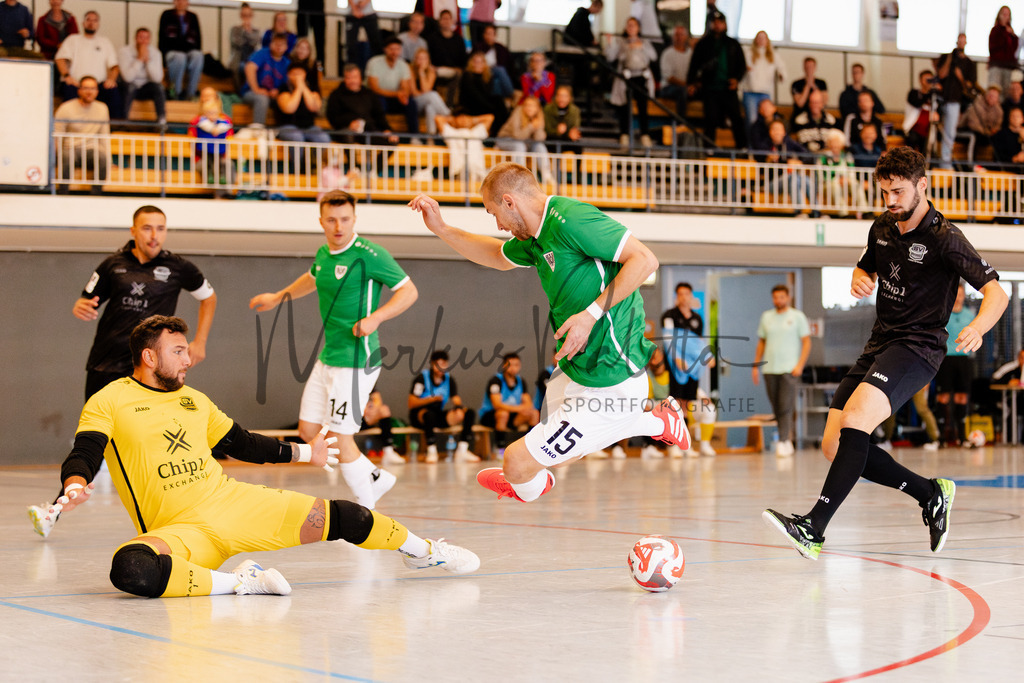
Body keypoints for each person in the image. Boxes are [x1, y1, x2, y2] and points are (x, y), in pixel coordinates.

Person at [45, 315, 478, 598]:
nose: (188, 358)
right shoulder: (111, 400)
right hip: (180, 533)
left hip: (234, 504)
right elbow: (86, 451)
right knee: (131, 569)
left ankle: (423, 551)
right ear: (148, 356)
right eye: (178, 351)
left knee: (348, 516)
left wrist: (306, 452)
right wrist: (76, 483)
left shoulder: (194, 400)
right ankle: (240, 583)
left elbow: (243, 443)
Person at [763, 146, 1008, 561]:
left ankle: (813, 528)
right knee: (832, 445)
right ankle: (930, 494)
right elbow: (866, 266)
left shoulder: (946, 239)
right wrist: (859, 278)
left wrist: (977, 327)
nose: (891, 201)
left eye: (897, 191)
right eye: (884, 193)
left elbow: (996, 293)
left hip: (918, 348)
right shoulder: (882, 226)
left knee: (856, 422)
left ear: (922, 186)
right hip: (880, 342)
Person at [408, 163, 691, 503]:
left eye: (494, 212)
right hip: (574, 367)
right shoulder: (533, 238)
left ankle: (529, 488)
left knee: (517, 464)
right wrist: (441, 229)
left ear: (510, 201)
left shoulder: (571, 219)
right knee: (564, 456)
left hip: (613, 374)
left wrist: (590, 315)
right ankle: (659, 423)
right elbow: (496, 255)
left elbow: (645, 260)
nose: (497, 224)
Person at [27, 206, 217, 537]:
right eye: (147, 228)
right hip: (104, 364)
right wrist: (78, 306)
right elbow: (87, 301)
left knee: (162, 439)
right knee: (93, 440)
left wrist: (198, 342)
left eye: (160, 228)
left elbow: (209, 298)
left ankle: (186, 512)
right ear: (133, 230)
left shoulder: (179, 268)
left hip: (150, 371)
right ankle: (56, 509)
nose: (154, 235)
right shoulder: (112, 266)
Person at [249, 191, 417, 509]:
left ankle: (366, 510)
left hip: (356, 359)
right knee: (310, 429)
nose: (338, 225)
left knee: (341, 438)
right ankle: (375, 476)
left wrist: (375, 318)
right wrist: (278, 296)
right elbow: (312, 278)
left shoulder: (370, 254)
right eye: (331, 219)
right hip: (329, 356)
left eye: (345, 219)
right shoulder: (325, 254)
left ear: (354, 219)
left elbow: (409, 291)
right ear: (321, 221)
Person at [752, 284, 810, 457]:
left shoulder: (797, 316)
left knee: (785, 405)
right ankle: (785, 438)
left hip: (789, 369)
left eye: (782, 297)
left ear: (788, 297)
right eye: (776, 297)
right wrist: (756, 365)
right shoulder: (766, 317)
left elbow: (806, 342)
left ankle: (783, 441)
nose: (779, 300)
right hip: (770, 368)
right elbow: (761, 342)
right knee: (776, 406)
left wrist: (800, 364)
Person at [661, 283, 716, 457]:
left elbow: (698, 343)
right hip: (677, 365)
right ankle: (673, 444)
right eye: (680, 294)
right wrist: (677, 358)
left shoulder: (697, 318)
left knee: (687, 404)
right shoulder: (669, 315)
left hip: (693, 367)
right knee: (675, 403)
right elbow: (668, 339)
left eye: (687, 294)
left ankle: (685, 443)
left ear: (691, 296)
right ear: (676, 296)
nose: (684, 297)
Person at [686, 10, 746, 149]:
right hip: (710, 89)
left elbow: (741, 66)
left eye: (720, 22)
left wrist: (736, 79)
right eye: (715, 22)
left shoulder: (733, 44)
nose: (717, 25)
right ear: (710, 24)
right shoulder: (703, 44)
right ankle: (709, 149)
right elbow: (694, 65)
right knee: (710, 119)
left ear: (725, 24)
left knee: (736, 118)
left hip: (728, 89)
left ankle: (742, 148)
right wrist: (691, 83)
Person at [409, 350, 480, 463]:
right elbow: (411, 402)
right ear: (432, 364)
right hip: (420, 415)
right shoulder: (422, 378)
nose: (441, 367)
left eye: (444, 364)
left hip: (437, 414)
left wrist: (458, 407)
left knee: (469, 413)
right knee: (429, 415)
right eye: (438, 364)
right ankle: (431, 451)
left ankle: (462, 449)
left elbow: (455, 398)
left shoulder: (449, 379)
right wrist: (432, 399)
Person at [54, 11, 121, 119]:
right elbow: (60, 59)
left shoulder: (105, 42)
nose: (91, 23)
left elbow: (115, 66)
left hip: (98, 86)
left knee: (113, 91)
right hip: (77, 84)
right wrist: (67, 76)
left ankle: (115, 128)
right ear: (83, 23)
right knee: (68, 89)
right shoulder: (73, 39)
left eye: (95, 20)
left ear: (98, 24)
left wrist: (111, 79)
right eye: (88, 20)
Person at [935, 284, 976, 446]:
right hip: (946, 358)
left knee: (961, 397)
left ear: (964, 295)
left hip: (963, 359)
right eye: (956, 294)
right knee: (943, 396)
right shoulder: (944, 314)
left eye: (961, 294)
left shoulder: (969, 315)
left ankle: (962, 437)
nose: (958, 297)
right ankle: (941, 438)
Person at [607, 16, 657, 149]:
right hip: (626, 77)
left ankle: (645, 134)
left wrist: (641, 46)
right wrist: (610, 43)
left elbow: (654, 56)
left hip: (641, 77)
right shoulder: (621, 42)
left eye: (633, 25)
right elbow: (610, 57)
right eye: (628, 25)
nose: (631, 28)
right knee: (624, 106)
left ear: (638, 28)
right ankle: (624, 134)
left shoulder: (645, 42)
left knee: (642, 105)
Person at [53, 77, 110, 193]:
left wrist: (109, 160)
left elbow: (105, 136)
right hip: (70, 148)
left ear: (97, 91)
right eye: (86, 88)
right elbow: (57, 135)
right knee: (67, 156)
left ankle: (96, 194)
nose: (89, 92)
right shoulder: (66, 108)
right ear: (79, 90)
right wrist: (55, 158)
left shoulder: (102, 108)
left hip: (91, 150)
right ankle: (62, 193)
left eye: (93, 88)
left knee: (102, 158)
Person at [326, 63, 398, 146]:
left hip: (369, 129)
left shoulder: (369, 94)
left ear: (360, 78)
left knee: (392, 141)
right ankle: (352, 159)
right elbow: (332, 117)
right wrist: (349, 123)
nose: (352, 81)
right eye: (349, 77)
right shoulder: (336, 95)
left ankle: (376, 160)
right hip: (345, 131)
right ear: (344, 79)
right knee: (348, 136)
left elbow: (379, 115)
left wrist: (387, 129)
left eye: (355, 77)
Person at [936, 33, 978, 170]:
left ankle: (945, 162)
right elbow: (941, 74)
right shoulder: (947, 57)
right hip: (941, 98)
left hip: (956, 101)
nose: (961, 43)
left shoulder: (969, 63)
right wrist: (950, 58)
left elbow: (970, 87)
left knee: (949, 131)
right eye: (959, 40)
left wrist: (960, 77)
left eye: (963, 41)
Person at [366, 37, 419, 139]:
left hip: (394, 99)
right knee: (379, 101)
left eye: (397, 49)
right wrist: (397, 94)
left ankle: (414, 137)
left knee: (411, 103)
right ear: (385, 49)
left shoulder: (403, 65)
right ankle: (382, 134)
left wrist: (403, 95)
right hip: (376, 98)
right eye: (391, 49)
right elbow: (374, 88)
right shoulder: (374, 62)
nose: (394, 52)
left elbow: (405, 87)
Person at [754, 119, 811, 215]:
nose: (777, 132)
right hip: (771, 184)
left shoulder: (789, 143)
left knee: (805, 179)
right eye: (774, 129)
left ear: (784, 132)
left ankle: (817, 211)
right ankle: (799, 211)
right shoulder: (765, 145)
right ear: (770, 132)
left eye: (779, 129)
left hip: (790, 182)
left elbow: (808, 155)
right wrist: (769, 158)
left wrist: (799, 162)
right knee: (793, 176)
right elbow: (758, 157)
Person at [497, 96, 552, 184]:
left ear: (537, 108)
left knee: (539, 146)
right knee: (519, 145)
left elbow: (540, 139)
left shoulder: (539, 116)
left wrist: (537, 128)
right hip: (505, 139)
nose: (529, 108)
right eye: (527, 105)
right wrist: (531, 127)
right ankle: (521, 176)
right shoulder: (518, 112)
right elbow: (517, 135)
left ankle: (547, 175)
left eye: (532, 106)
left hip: (525, 142)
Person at [190, 88, 235, 193]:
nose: (207, 99)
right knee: (207, 165)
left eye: (210, 96)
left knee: (227, 164)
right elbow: (191, 140)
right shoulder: (197, 120)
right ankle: (217, 195)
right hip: (203, 156)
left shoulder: (225, 120)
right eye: (204, 96)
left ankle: (226, 195)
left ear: (216, 98)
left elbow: (229, 138)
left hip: (220, 154)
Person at [275, 63, 331, 145]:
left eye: (300, 74)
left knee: (323, 138)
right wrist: (298, 89)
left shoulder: (312, 89)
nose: (297, 77)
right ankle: (298, 158)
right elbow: (289, 109)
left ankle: (313, 157)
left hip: (309, 127)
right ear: (289, 75)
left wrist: (304, 88)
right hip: (287, 126)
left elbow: (315, 108)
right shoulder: (284, 89)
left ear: (305, 74)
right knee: (296, 137)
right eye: (294, 74)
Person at [158, 0, 203, 101]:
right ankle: (176, 92)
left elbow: (198, 39)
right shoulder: (166, 15)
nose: (180, 2)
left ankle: (191, 93)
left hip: (189, 52)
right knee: (180, 57)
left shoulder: (193, 17)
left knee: (198, 55)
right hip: (172, 52)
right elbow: (162, 38)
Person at [242, 32, 290, 126]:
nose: (279, 47)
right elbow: (249, 67)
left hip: (273, 95)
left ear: (286, 47)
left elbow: (287, 84)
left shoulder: (286, 62)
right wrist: (256, 89)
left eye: (282, 44)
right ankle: (258, 131)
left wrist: (278, 91)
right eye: (276, 43)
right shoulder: (263, 53)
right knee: (262, 99)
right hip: (251, 93)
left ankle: (284, 129)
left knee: (285, 99)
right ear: (271, 44)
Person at [120, 28, 166, 125]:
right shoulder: (124, 51)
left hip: (146, 88)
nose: (143, 41)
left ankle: (162, 121)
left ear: (150, 40)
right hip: (129, 87)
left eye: (146, 38)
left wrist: (148, 61)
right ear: (135, 38)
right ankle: (123, 121)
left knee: (159, 88)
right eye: (141, 37)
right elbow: (127, 77)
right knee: (129, 86)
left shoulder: (156, 53)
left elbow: (157, 79)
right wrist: (139, 59)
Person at [742, 30, 786, 128]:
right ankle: (751, 143)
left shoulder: (773, 55)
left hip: (765, 93)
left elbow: (781, 68)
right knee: (752, 120)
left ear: (767, 40)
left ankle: (764, 143)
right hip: (750, 92)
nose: (761, 40)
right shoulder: (748, 53)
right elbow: (741, 68)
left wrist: (781, 75)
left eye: (764, 38)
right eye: (759, 38)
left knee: (767, 119)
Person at [459, 50, 508, 136]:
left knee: (499, 100)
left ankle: (502, 132)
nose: (478, 64)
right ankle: (497, 135)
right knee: (496, 109)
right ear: (472, 63)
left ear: (484, 64)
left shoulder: (487, 76)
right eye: (476, 62)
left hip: (483, 103)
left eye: (480, 62)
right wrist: (492, 107)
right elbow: (474, 95)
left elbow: (487, 93)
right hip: (470, 105)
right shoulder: (467, 75)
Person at [436, 111, 493, 183]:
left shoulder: (477, 132)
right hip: (460, 170)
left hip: (478, 170)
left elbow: (490, 118)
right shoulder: (451, 133)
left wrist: (472, 120)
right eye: (460, 117)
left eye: (466, 116)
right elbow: (438, 119)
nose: (464, 119)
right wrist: (453, 120)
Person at [410, 47, 451, 137]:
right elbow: (415, 92)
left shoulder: (431, 72)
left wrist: (422, 73)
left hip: (427, 102)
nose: (422, 61)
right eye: (419, 58)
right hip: (415, 104)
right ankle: (448, 116)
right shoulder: (411, 71)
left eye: (424, 58)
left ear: (428, 60)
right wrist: (420, 71)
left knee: (430, 107)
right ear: (415, 59)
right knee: (432, 95)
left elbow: (425, 89)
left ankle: (430, 138)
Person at [427, 9, 467, 90]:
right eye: (444, 18)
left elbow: (463, 58)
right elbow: (428, 56)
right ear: (439, 21)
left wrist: (460, 68)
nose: (446, 21)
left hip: (454, 70)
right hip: (437, 69)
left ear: (452, 21)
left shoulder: (459, 39)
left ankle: (452, 102)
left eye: (448, 18)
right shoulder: (432, 38)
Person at [903, 69, 940, 154]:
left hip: (928, 131)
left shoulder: (934, 97)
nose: (929, 82)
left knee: (928, 151)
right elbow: (917, 103)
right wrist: (929, 92)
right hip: (913, 129)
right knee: (911, 148)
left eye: (930, 79)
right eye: (927, 79)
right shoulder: (914, 93)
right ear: (920, 80)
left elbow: (939, 109)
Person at [818, 129, 854, 218]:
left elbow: (852, 171)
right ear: (828, 143)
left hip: (846, 181)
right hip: (827, 184)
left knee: (855, 183)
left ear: (841, 144)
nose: (834, 145)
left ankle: (865, 211)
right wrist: (838, 179)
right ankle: (843, 213)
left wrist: (848, 179)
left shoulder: (847, 156)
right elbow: (822, 176)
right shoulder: (823, 157)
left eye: (837, 142)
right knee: (835, 184)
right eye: (832, 142)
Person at [791, 90, 837, 155]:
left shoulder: (830, 120)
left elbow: (832, 142)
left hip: (826, 156)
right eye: (812, 102)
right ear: (809, 104)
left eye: (817, 102)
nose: (815, 105)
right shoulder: (800, 120)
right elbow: (803, 143)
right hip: (807, 156)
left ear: (822, 104)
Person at [660, 26, 692, 117]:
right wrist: (686, 85)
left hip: (687, 87)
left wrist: (693, 86)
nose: (679, 37)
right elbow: (669, 77)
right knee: (681, 91)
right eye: (676, 35)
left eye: (681, 35)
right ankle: (681, 124)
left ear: (686, 37)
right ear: (672, 37)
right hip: (668, 88)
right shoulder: (667, 53)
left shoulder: (691, 53)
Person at [229, 2, 261, 91]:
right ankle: (242, 92)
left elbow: (255, 43)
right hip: (238, 61)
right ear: (241, 15)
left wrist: (248, 32)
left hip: (252, 60)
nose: (247, 17)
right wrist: (245, 30)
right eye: (244, 15)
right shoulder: (235, 29)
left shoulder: (256, 31)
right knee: (245, 67)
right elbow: (239, 42)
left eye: (249, 15)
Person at [989, 5, 1018, 92]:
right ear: (999, 15)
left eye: (1007, 14)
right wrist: (1004, 31)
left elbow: (1015, 49)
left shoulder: (1011, 33)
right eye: (1003, 14)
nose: (1005, 16)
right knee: (994, 90)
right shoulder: (995, 30)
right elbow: (994, 47)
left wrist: (1012, 35)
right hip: (997, 65)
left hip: (1008, 66)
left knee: (1006, 91)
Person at [543, 84, 582, 149]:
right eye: (560, 95)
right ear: (556, 97)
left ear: (570, 98)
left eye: (565, 96)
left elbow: (575, 126)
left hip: (567, 138)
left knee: (578, 146)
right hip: (551, 138)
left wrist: (572, 133)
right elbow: (546, 128)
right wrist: (557, 131)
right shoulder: (548, 109)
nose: (562, 98)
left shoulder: (575, 110)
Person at [346, 0, 382, 70]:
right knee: (351, 46)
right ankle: (351, 71)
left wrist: (363, 3)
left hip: (369, 13)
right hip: (352, 13)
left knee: (376, 44)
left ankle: (378, 69)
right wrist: (354, 9)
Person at [790, 56, 828, 121]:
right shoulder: (796, 84)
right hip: (800, 115)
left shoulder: (821, 83)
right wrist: (807, 85)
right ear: (804, 67)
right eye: (807, 67)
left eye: (811, 67)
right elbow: (800, 103)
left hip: (817, 116)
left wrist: (814, 86)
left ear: (815, 67)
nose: (809, 69)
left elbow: (823, 103)